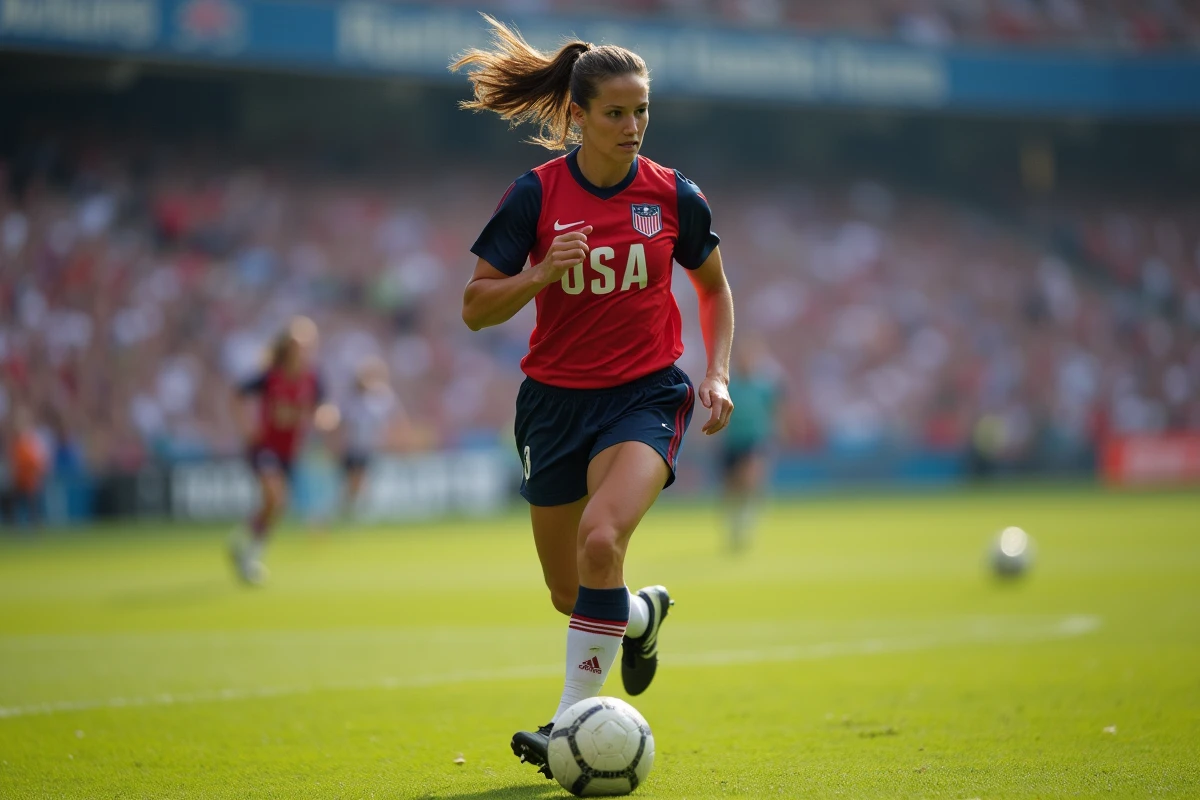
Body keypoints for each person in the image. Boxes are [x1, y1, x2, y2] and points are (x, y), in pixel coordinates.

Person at [452, 16, 735, 780]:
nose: (633, 126)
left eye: (642, 110)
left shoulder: (674, 195)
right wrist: (539, 276)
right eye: (616, 112)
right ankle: (641, 615)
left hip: (647, 394)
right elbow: (475, 306)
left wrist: (717, 372)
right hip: (553, 404)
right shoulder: (533, 196)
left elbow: (712, 288)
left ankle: (567, 724)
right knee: (570, 592)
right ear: (578, 115)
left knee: (603, 540)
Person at [228, 316, 332, 585]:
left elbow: (324, 406)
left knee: (274, 506)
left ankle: (244, 542)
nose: (305, 350)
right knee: (275, 497)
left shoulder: (313, 377)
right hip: (265, 448)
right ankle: (251, 557)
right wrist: (247, 428)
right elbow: (237, 396)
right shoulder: (270, 375)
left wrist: (324, 416)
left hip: (290, 451)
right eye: (300, 345)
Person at [720, 335, 783, 551]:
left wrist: (777, 433)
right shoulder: (730, 384)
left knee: (752, 479)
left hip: (755, 439)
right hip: (733, 440)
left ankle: (747, 522)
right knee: (732, 487)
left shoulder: (765, 385)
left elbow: (775, 410)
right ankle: (734, 525)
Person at [338, 356, 406, 520]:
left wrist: (393, 439)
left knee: (360, 481)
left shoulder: (383, 397)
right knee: (355, 481)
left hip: (370, 446)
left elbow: (397, 418)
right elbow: (344, 423)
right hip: (353, 446)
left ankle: (351, 512)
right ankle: (350, 512)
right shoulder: (352, 398)